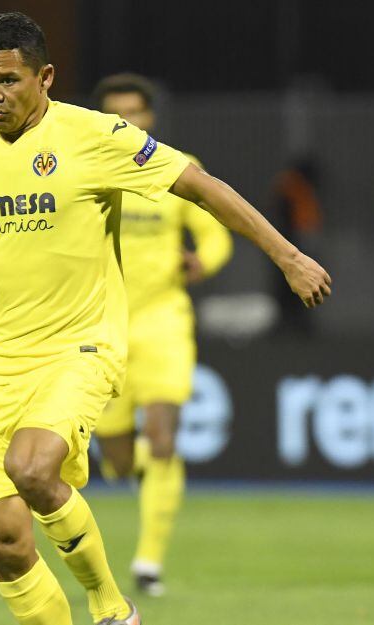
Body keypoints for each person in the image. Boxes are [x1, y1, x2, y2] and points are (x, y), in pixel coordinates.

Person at [0, 12, 331, 625]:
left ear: (46, 77)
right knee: (3, 540)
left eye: (7, 80)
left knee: (32, 467)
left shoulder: (96, 136)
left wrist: (289, 257)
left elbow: (201, 186)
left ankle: (111, 604)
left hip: (80, 346)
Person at [91, 72, 233, 597]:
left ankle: (148, 561)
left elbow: (216, 234)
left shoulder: (177, 167)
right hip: (104, 324)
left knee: (163, 436)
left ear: (150, 117)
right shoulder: (85, 170)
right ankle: (149, 476)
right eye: (117, 113)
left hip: (164, 320)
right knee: (117, 459)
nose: (127, 121)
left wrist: (202, 261)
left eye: (135, 112)